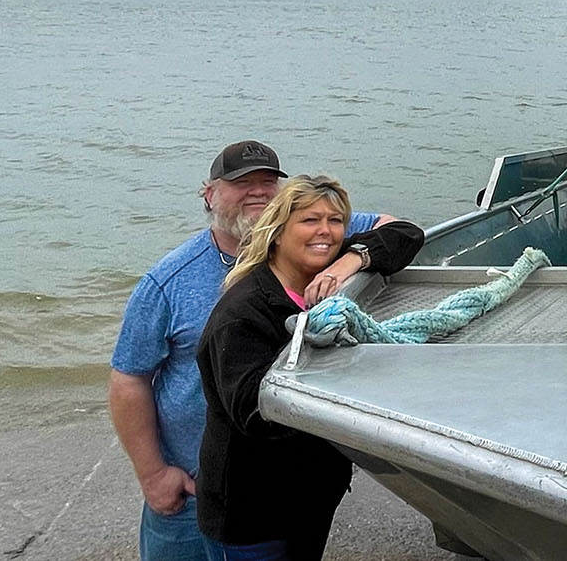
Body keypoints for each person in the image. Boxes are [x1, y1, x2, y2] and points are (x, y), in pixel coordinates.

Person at [109, 142, 398, 561]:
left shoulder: (315, 240)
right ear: (208, 194)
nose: (258, 192)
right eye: (242, 183)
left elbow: (399, 229)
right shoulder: (169, 281)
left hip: (287, 479)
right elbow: (129, 378)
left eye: (268, 183)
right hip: (196, 482)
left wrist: (348, 262)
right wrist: (153, 474)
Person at [195, 174, 424, 560]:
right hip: (251, 511)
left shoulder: (328, 271)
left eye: (336, 221)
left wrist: (352, 261)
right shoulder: (243, 314)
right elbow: (253, 412)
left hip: (311, 497)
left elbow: (408, 234)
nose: (326, 232)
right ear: (278, 232)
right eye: (310, 220)